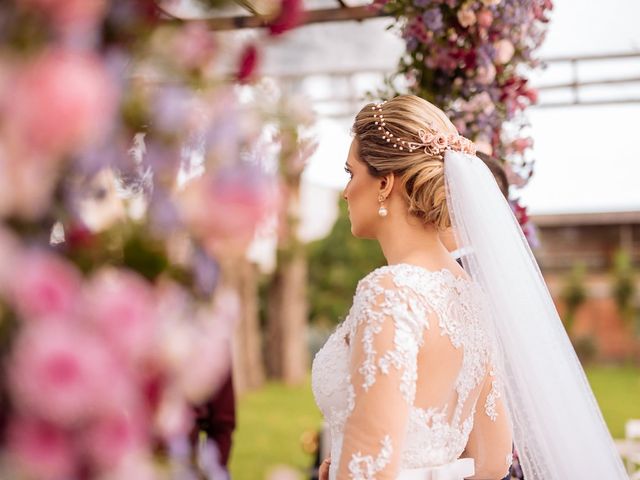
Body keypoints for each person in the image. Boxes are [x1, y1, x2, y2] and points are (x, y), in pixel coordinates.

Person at [311, 95, 627, 480]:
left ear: (384, 182)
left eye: (350, 173)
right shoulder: (471, 296)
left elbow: (371, 470)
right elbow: (492, 461)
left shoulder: (389, 292)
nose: (345, 191)